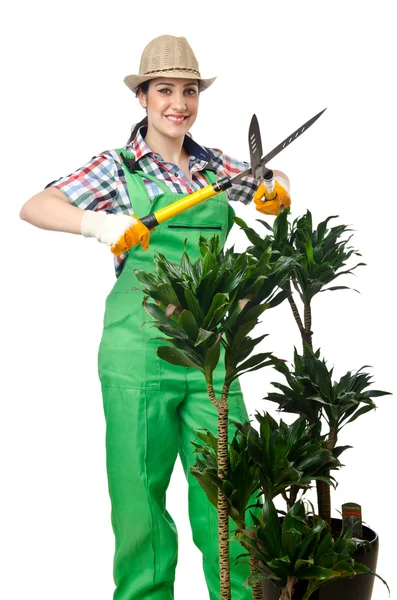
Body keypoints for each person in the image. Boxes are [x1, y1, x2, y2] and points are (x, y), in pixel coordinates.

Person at [19, 35, 290, 600]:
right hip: (137, 352)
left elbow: (273, 180)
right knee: (139, 499)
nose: (179, 103)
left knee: (233, 495)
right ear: (142, 97)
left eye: (189, 91)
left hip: (213, 355)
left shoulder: (214, 166)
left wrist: (273, 193)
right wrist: (99, 225)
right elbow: (37, 206)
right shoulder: (117, 168)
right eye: (164, 90)